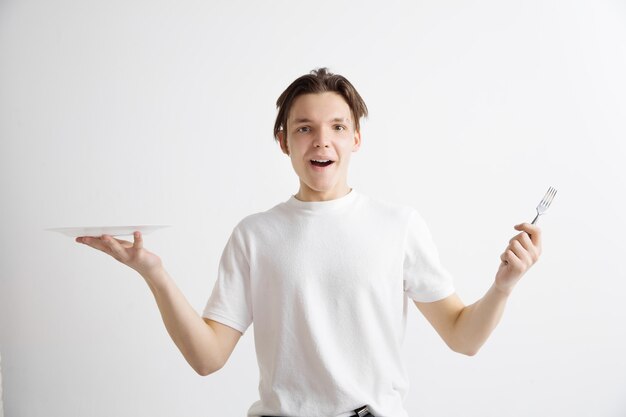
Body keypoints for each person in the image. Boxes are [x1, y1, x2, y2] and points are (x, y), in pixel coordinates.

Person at [76, 68, 543, 417]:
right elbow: (207, 358)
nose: (322, 140)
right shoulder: (254, 234)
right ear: (283, 141)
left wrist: (503, 285)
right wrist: (152, 272)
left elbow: (463, 337)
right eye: (305, 128)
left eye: (338, 127)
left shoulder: (398, 226)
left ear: (356, 138)